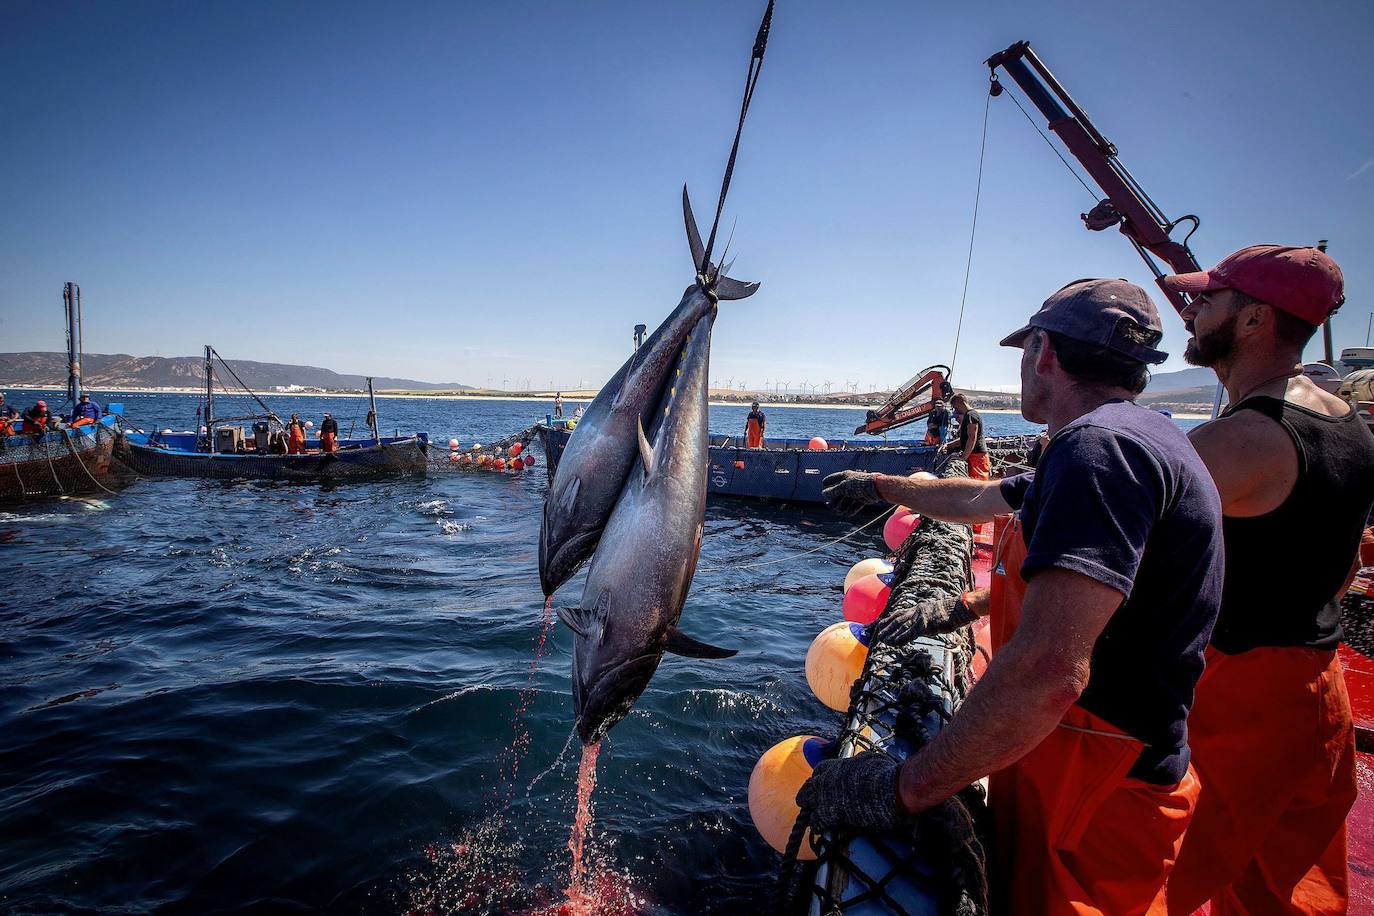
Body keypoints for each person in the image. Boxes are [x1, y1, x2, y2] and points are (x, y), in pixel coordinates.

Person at [809, 278, 1224, 914]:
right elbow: (982, 498)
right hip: (1074, 756)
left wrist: (903, 788)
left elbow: (1049, 672)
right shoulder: (1131, 436)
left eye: (1024, 352)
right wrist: (884, 485)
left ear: (1045, 352)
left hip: (1096, 785)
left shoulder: (1099, 454)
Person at [1155, 245, 1374, 915]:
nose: (1191, 313)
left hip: (1241, 702)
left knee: (1163, 881)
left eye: (1206, 300)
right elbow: (1344, 570)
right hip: (1315, 689)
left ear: (1252, 320)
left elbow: (1113, 535)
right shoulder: (1349, 427)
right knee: (1284, 891)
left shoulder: (1242, 439)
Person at [940, 393, 988, 480]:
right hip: (972, 455)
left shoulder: (971, 415)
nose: (955, 410)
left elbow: (972, 438)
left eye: (955, 407)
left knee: (979, 484)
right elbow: (964, 439)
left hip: (977, 456)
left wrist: (963, 458)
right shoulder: (967, 415)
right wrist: (948, 445)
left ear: (959, 403)